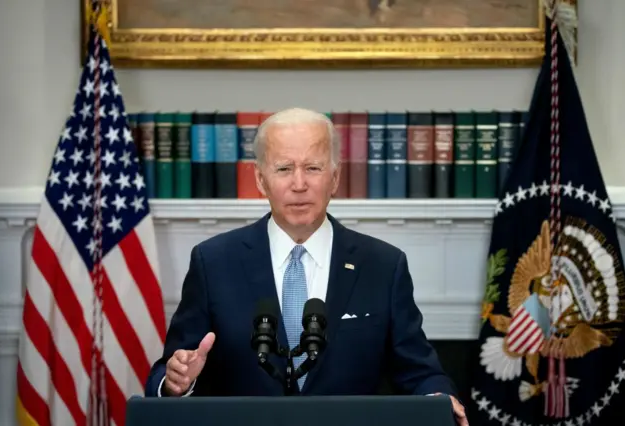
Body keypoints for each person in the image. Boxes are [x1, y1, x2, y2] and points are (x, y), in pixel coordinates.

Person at [144, 107, 468, 426]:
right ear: (260, 179)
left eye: (313, 168)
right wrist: (175, 381)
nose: (299, 184)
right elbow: (170, 369)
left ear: (335, 177)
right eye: (284, 168)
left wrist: (438, 400)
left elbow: (419, 372)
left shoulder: (383, 265)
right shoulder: (213, 262)